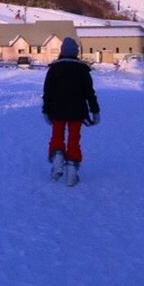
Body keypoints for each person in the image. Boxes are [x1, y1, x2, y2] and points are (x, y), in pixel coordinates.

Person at [42, 37, 100, 186]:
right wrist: (95, 111)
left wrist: (46, 110)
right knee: (74, 139)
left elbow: (47, 92)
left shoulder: (54, 69)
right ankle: (71, 174)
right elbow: (89, 93)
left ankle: (57, 161)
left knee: (57, 136)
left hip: (56, 110)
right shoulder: (82, 69)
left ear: (62, 52)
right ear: (76, 52)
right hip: (77, 111)